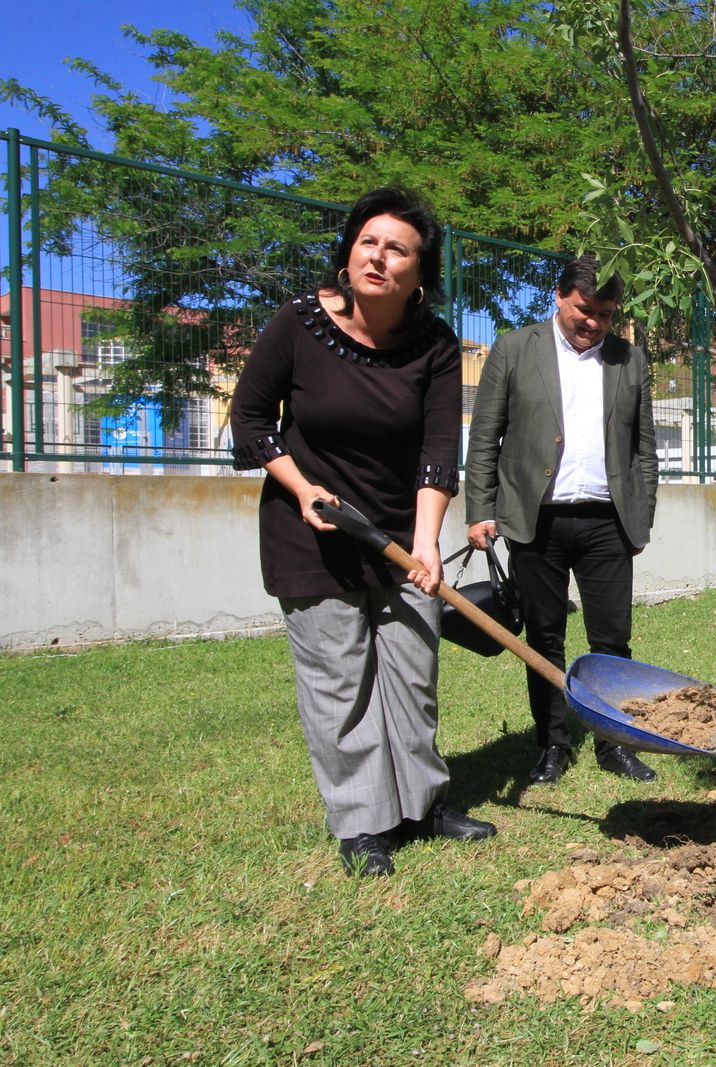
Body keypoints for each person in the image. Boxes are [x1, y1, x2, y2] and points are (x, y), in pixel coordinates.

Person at [230, 186, 497, 878]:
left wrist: (429, 540)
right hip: (313, 530)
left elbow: (440, 448)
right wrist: (301, 486)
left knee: (413, 674)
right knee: (339, 681)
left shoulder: (433, 343)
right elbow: (252, 418)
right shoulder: (298, 323)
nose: (378, 257)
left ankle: (424, 806)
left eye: (397, 248)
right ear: (349, 251)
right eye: (368, 241)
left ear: (419, 270)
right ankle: (363, 824)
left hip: (401, 532)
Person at [464, 255, 659, 785]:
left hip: (607, 523)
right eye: (582, 309)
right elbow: (485, 437)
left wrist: (641, 515)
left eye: (603, 313)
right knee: (543, 638)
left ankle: (614, 743)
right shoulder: (513, 348)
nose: (591, 321)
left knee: (612, 640)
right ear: (559, 296)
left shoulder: (629, 360)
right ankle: (552, 743)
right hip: (535, 522)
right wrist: (480, 510)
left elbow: (644, 448)